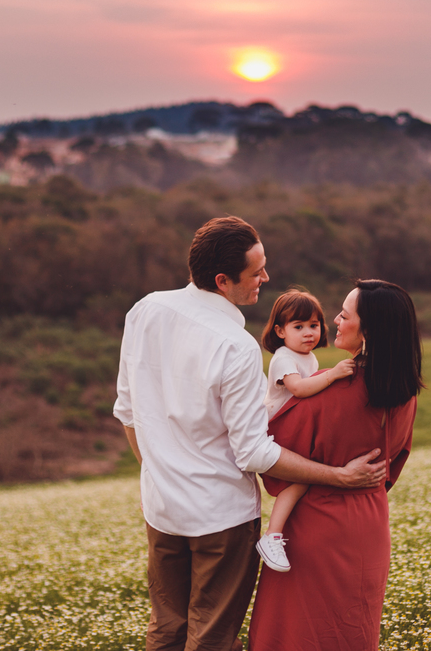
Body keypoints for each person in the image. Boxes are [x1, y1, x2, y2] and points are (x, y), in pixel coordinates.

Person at [112, 217, 388, 651]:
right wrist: (339, 476)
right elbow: (254, 453)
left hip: (161, 509)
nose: (266, 277)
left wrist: (158, 476)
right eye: (256, 271)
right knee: (212, 640)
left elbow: (127, 413)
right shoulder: (234, 344)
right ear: (223, 280)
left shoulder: (145, 309)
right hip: (220, 520)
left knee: (166, 631)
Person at [247, 279, 423, 651]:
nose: (336, 322)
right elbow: (394, 461)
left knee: (298, 635)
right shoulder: (406, 391)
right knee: (352, 631)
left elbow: (273, 460)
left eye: (344, 315)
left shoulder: (328, 395)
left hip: (316, 528)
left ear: (368, 330)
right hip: (371, 523)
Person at [255, 288, 356, 573]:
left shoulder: (308, 358)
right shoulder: (284, 358)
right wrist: (332, 374)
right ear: (280, 331)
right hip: (278, 427)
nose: (308, 333)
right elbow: (298, 389)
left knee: (307, 478)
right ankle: (272, 535)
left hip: (296, 425)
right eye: (298, 327)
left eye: (314, 325)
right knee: (298, 481)